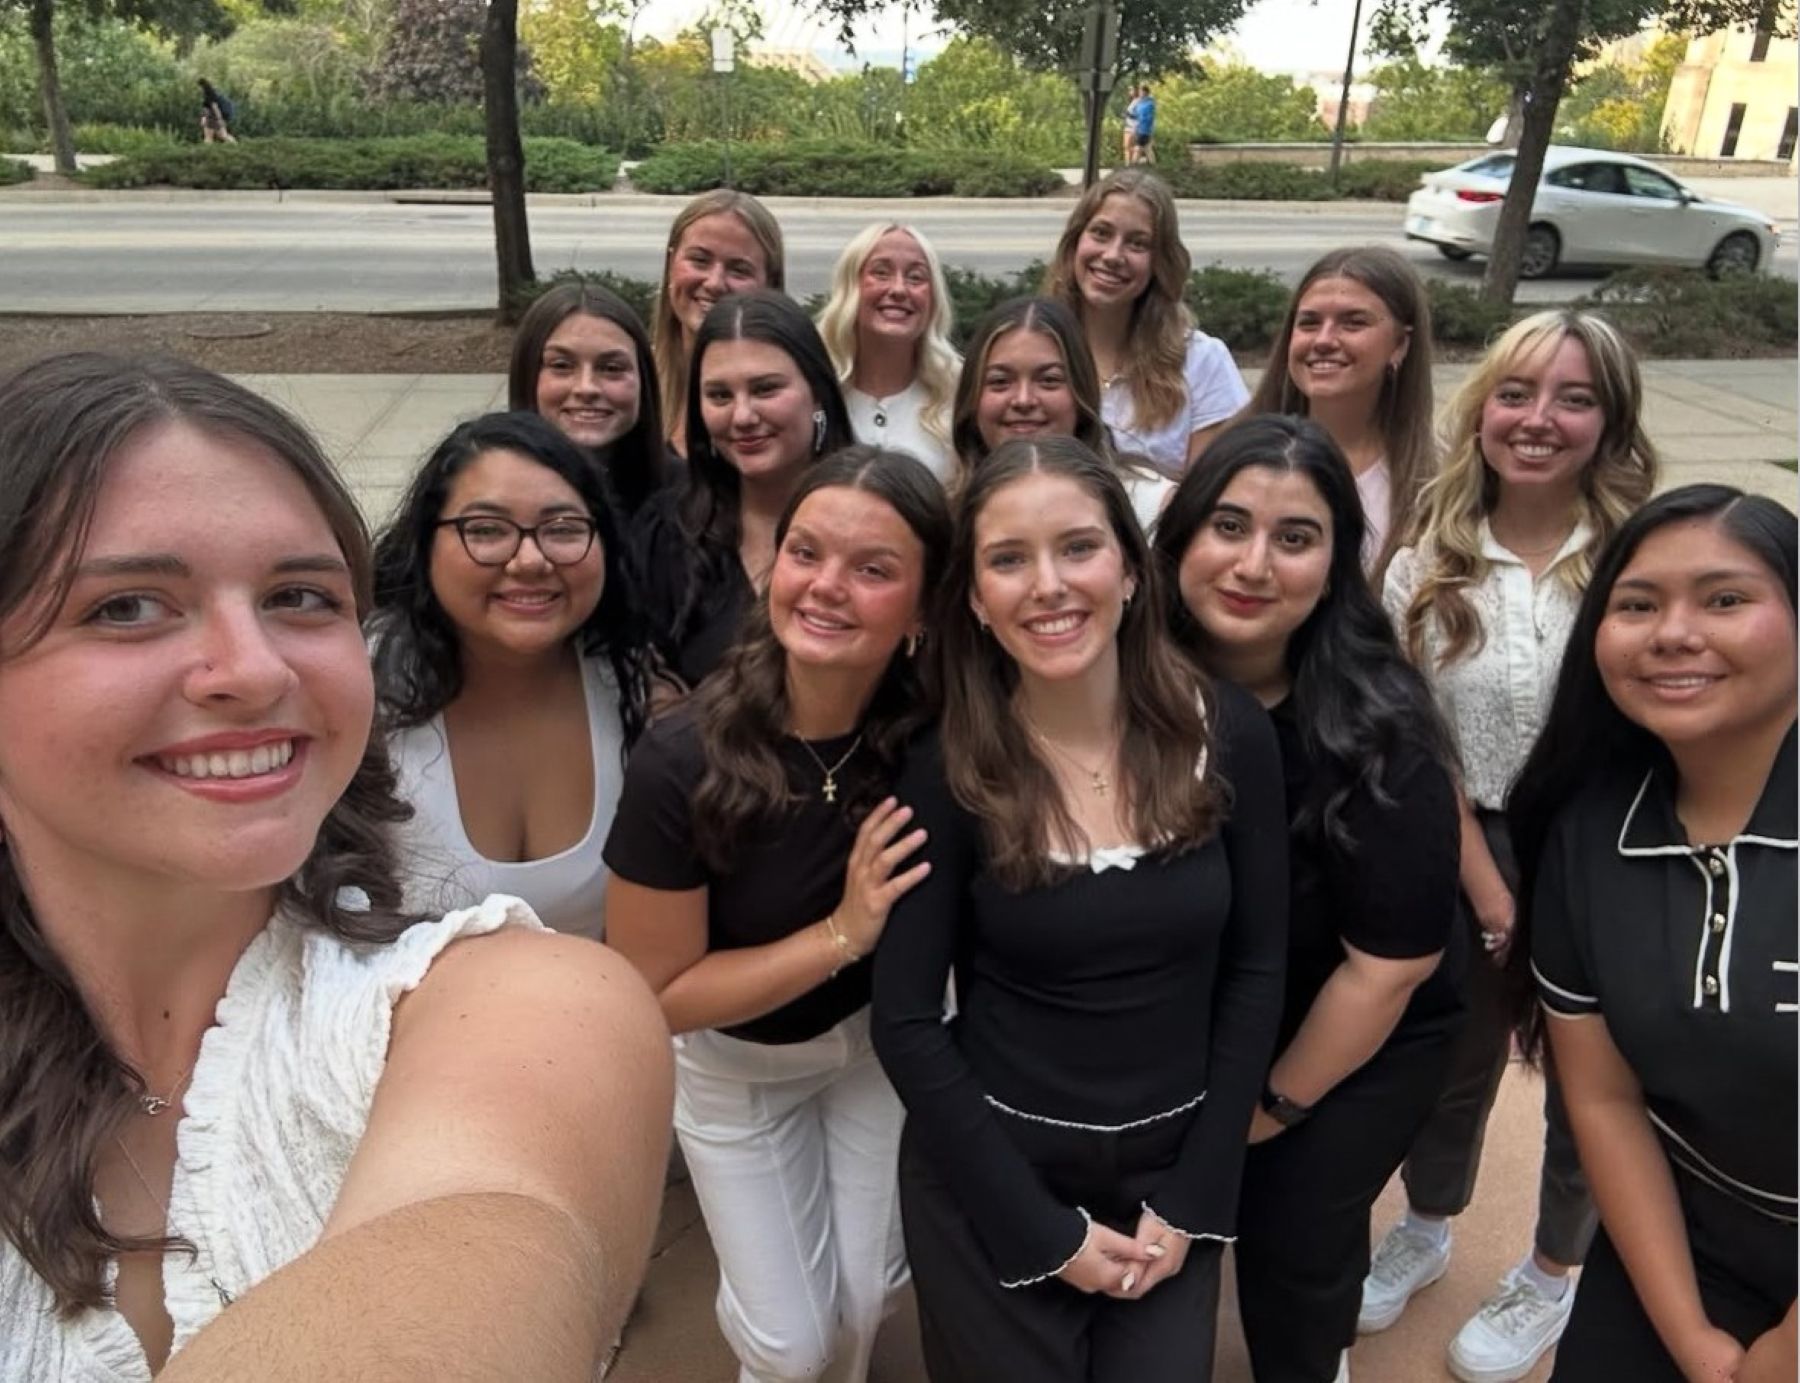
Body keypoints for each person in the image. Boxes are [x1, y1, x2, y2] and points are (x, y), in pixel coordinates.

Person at [0, 353, 671, 1380]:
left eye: (299, 596)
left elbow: (493, 1230)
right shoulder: (406, 714)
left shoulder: (514, 1004)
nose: (256, 668)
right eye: (127, 606)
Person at [871, 435, 1288, 1383]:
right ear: (974, 598)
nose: (1049, 585)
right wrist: (1039, 1228)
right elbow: (903, 1018)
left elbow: (1259, 968)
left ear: (1133, 571)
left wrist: (1198, 1192)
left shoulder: (1229, 734)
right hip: (996, 1170)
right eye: (1008, 560)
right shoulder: (947, 767)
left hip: (1171, 1174)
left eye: (1078, 547)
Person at [606, 448, 952, 1383]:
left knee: (871, 1297)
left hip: (875, 1051)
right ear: (774, 565)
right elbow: (660, 993)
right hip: (733, 1066)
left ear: (923, 608)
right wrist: (843, 932)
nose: (827, 587)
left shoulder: (937, 732)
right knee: (788, 1344)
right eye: (807, 553)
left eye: (874, 569)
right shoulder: (683, 757)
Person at [1368, 309, 1658, 1383]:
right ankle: (1431, 1219)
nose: (1539, 420)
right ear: (1481, 406)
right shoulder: (1423, 563)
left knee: (1597, 1082)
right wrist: (1490, 888)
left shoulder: (1641, 552)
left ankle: (1548, 1270)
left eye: (1574, 398)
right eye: (1518, 392)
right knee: (1454, 1062)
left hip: (1613, 846)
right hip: (1461, 842)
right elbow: (1415, 746)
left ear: (1611, 420)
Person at [1155, 414, 1465, 1383]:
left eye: (1295, 538)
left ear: (1334, 566)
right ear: (1180, 540)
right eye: (1230, 526)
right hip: (1211, 1011)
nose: (1254, 564)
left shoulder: (1379, 726)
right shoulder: (1123, 690)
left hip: (1359, 1026)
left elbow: (1393, 966)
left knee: (1291, 1234)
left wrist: (1272, 1110)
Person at [1509, 484, 1796, 1383]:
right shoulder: (1589, 830)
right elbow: (1605, 1101)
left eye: (1725, 599)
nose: (1673, 632)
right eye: (1637, 604)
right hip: (1690, 1237)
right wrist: (1694, 1343)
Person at [367, 411, 650, 940]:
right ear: (426, 543)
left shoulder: (638, 692)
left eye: (563, 529)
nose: (530, 559)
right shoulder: (357, 693)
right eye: (487, 530)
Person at [636, 290, 857, 691]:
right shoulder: (666, 532)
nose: (743, 416)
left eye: (766, 389)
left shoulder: (882, 519)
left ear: (818, 392)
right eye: (720, 395)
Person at [1239, 247, 1435, 578]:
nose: (1324, 340)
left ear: (1400, 344)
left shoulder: (1435, 486)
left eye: (1353, 323)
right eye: (1309, 323)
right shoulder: (1233, 458)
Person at [1045, 168, 1248, 477]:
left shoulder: (1202, 362)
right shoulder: (1034, 349)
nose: (1113, 255)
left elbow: (1211, 496)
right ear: (1075, 241)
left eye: (1137, 243)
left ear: (1160, 262)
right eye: (1101, 233)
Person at [951, 296, 1172, 535]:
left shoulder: (1149, 507)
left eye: (1049, 380)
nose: (1023, 400)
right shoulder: (947, 517)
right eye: (1000, 382)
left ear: (1081, 392)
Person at [508, 280, 671, 520]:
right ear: (527, 374)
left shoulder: (693, 501)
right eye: (561, 365)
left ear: (643, 380)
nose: (587, 388)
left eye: (612, 368)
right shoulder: (483, 492)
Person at [816, 222, 961, 483]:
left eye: (916, 277)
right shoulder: (812, 388)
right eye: (881, 273)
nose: (898, 289)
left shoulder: (960, 393)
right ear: (852, 287)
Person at [650, 190, 785, 455]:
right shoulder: (632, 387)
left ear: (770, 284)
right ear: (670, 262)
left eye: (739, 270)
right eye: (699, 260)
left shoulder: (788, 405)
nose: (714, 283)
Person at [197, 79, 236, 144]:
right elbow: (206, 108)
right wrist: (203, 117)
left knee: (209, 138)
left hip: (212, 118)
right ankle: (235, 144)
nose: (198, 89)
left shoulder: (208, 95)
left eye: (199, 87)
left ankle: (206, 152)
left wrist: (219, 119)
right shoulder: (211, 93)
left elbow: (215, 107)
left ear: (202, 86)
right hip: (213, 118)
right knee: (222, 136)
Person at [1131, 83, 1156, 165]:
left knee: (1138, 147)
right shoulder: (1138, 103)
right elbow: (1135, 115)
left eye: (1141, 91)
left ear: (1146, 92)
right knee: (1147, 148)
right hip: (1138, 129)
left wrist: (1142, 123)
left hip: (1144, 129)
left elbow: (1150, 118)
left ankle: (1134, 164)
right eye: (1139, 91)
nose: (1140, 93)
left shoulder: (1150, 104)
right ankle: (1153, 164)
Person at [1121, 85, 1144, 168]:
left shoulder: (1139, 102)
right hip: (1128, 126)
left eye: (1131, 90)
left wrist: (1129, 114)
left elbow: (1139, 115)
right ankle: (1127, 164)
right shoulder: (1130, 102)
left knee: (1134, 146)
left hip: (1135, 127)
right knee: (1126, 146)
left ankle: (1134, 163)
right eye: (1129, 90)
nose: (1130, 92)